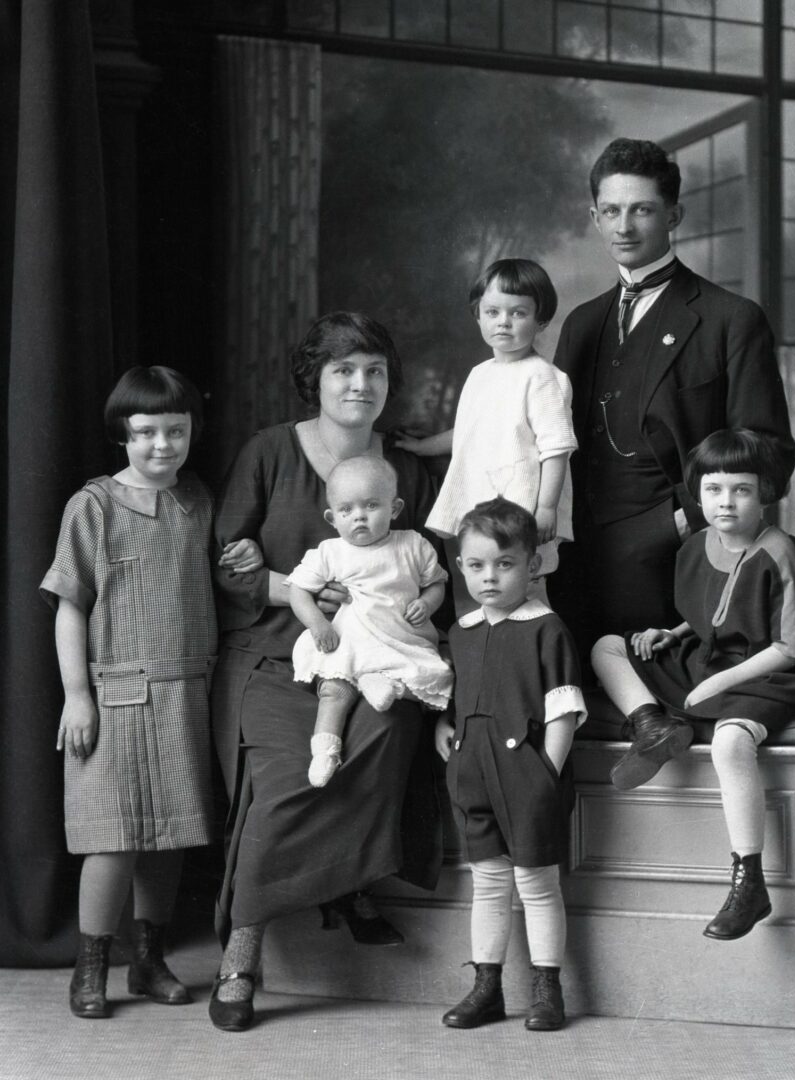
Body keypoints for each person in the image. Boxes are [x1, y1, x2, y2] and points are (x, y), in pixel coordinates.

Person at [209, 311, 444, 1032]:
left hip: (375, 661)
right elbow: (225, 561)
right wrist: (295, 589)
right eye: (343, 369)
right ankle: (240, 962)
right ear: (314, 377)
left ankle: (344, 884)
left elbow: (433, 569)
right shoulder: (268, 452)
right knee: (283, 783)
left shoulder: (407, 466)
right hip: (276, 658)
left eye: (374, 370)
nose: (360, 384)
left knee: (384, 730)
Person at [40, 366, 260, 1019]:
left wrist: (245, 564)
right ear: (122, 436)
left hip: (185, 693)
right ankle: (90, 969)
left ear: (192, 431)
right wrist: (75, 693)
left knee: (170, 837)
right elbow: (69, 605)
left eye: (175, 431)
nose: (161, 445)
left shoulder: (199, 501)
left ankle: (148, 958)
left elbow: (224, 580)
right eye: (146, 433)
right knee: (111, 838)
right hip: (113, 697)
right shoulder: (95, 506)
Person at [550, 137, 795, 688]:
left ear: (673, 215)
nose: (625, 225)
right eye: (611, 211)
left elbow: (768, 452)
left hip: (678, 557)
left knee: (669, 713)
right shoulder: (581, 324)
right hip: (581, 556)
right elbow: (549, 438)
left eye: (642, 209)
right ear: (594, 217)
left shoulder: (730, 318)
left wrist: (683, 519)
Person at [591, 429, 795, 940]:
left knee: (729, 741)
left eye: (741, 490)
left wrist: (718, 682)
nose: (726, 502)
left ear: (765, 492)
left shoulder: (781, 552)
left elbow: (791, 647)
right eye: (714, 489)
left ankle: (749, 879)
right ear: (698, 494)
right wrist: (672, 631)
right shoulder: (697, 545)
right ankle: (652, 725)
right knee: (607, 647)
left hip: (771, 671)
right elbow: (712, 616)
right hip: (712, 659)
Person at [436, 497, 586, 1031]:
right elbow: (456, 697)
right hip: (471, 771)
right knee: (489, 882)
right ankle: (487, 988)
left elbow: (563, 708)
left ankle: (547, 990)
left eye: (504, 564)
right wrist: (443, 728)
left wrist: (546, 773)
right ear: (460, 567)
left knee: (537, 883)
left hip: (528, 774)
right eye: (476, 566)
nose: (490, 578)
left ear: (533, 565)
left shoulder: (546, 628)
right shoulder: (463, 631)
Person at [396, 258, 576, 613]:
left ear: (541, 321)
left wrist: (545, 507)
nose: (503, 322)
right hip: (481, 502)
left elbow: (557, 447)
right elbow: (468, 432)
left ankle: (534, 656)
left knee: (524, 590)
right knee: (482, 588)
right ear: (478, 315)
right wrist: (421, 446)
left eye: (518, 313)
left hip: (521, 504)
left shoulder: (542, 377)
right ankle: (487, 656)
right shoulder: (480, 374)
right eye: (492, 311)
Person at [287, 455, 453, 787]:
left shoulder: (412, 544)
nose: (359, 517)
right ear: (332, 518)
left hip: (399, 636)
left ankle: (381, 683)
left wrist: (426, 602)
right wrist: (318, 624)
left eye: (371, 506)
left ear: (394, 508)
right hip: (353, 637)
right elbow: (298, 591)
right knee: (333, 690)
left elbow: (437, 582)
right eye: (347, 511)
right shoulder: (331, 551)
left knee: (427, 678)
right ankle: (325, 751)